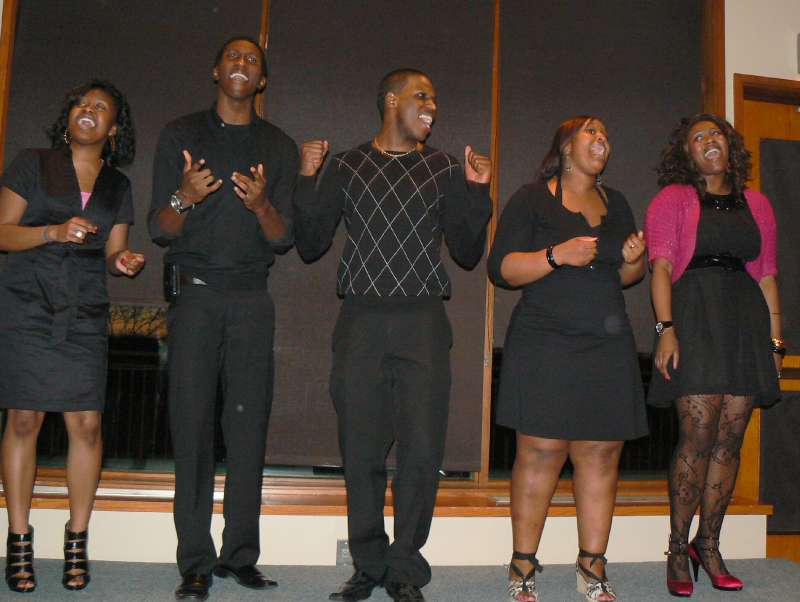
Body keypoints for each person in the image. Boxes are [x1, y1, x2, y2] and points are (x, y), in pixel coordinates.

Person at [294, 68, 492, 602]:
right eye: (421, 95)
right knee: (360, 451)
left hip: (423, 322)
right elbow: (310, 244)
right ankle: (368, 564)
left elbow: (467, 252)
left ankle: (404, 567)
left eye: (435, 98)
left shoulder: (444, 168)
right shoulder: (347, 165)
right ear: (390, 100)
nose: (432, 105)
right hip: (360, 322)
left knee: (421, 452)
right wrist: (308, 179)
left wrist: (477, 192)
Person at [148, 36, 298, 601]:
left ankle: (240, 556)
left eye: (252, 60)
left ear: (262, 80)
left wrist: (261, 205)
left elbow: (284, 239)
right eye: (232, 56)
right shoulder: (180, 134)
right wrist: (184, 196)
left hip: (252, 301)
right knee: (191, 429)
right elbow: (159, 228)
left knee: (247, 430)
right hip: (195, 300)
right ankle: (194, 561)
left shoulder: (277, 146)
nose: (242, 64)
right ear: (216, 71)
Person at [488, 116, 648, 602]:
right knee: (540, 450)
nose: (602, 139)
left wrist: (634, 260)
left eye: (606, 134)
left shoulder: (617, 202)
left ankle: (591, 567)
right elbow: (502, 268)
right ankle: (522, 565)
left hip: (606, 342)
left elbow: (624, 276)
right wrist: (557, 255)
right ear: (565, 147)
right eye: (591, 132)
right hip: (544, 339)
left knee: (601, 451)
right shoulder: (531, 198)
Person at [0, 79, 144, 593]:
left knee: (86, 424)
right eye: (81, 103)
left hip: (83, 309)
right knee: (24, 419)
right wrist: (52, 232)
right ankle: (19, 539)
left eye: (100, 107)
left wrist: (122, 260)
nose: (88, 109)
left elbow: (113, 250)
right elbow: (2, 231)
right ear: (68, 117)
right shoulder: (32, 162)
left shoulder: (117, 186)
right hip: (27, 302)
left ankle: (77, 540)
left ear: (114, 128)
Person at [645, 113, 782, 597]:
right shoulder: (673, 199)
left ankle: (709, 544)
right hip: (694, 314)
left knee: (730, 440)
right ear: (686, 153)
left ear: (729, 145)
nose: (709, 141)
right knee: (698, 435)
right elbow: (661, 268)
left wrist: (776, 340)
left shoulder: (757, 203)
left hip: (744, 322)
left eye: (716, 134)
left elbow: (767, 274)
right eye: (698, 137)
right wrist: (666, 329)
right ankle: (676, 547)